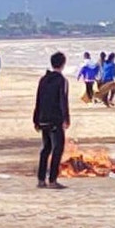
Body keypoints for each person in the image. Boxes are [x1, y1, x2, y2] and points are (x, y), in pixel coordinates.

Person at [32, 51, 71, 189]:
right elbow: (63, 101)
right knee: (57, 149)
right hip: (55, 119)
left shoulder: (43, 79)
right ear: (63, 64)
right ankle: (53, 180)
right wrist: (66, 118)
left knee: (46, 149)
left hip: (43, 119)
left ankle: (41, 180)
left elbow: (38, 100)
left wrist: (36, 120)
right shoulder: (62, 80)